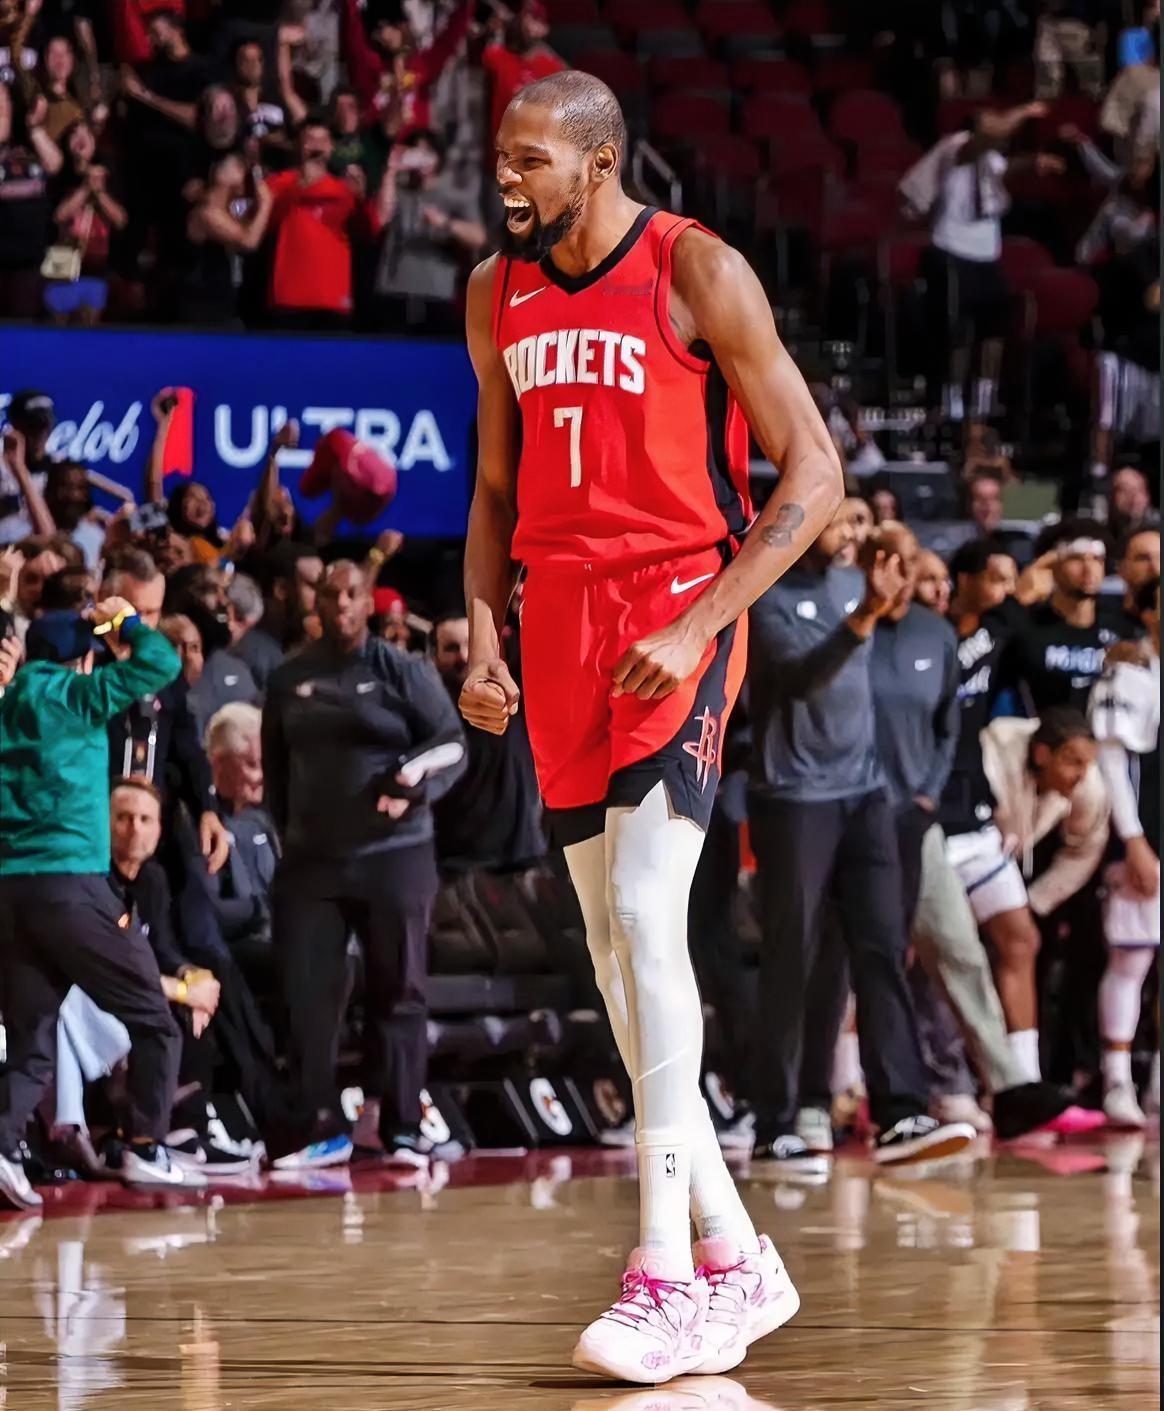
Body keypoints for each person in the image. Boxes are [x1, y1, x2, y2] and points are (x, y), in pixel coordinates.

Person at [459, 69, 844, 1384]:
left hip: (676, 607)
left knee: (643, 906)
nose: (507, 179)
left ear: (600, 161)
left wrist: (700, 623)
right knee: (613, 951)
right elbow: (494, 486)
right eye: (502, 158)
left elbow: (815, 472)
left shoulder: (696, 269)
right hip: (557, 627)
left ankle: (664, 1273)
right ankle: (737, 1252)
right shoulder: (494, 291)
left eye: (529, 160)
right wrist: (482, 632)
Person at [747, 507, 976, 1169]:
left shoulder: (855, 583)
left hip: (866, 794)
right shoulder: (766, 593)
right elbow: (799, 677)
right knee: (791, 956)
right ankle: (776, 1122)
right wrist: (866, 615)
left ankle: (900, 1112)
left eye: (853, 520)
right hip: (794, 798)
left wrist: (883, 596)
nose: (850, 531)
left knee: (882, 948)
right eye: (837, 520)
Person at [263, 560, 466, 1170]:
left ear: (368, 602)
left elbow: (452, 744)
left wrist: (412, 788)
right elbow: (275, 770)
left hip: (394, 856)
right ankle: (315, 1127)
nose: (342, 604)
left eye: (353, 594)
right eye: (331, 594)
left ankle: (400, 1127)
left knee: (398, 991)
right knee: (307, 994)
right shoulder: (289, 676)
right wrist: (290, 834)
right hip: (313, 865)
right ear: (317, 602)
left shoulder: (401, 670)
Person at [0, 598, 203, 1209]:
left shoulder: (6, 704)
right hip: (71, 883)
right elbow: (162, 662)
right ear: (83, 659)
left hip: (12, 889)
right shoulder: (78, 694)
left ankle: (3, 1148)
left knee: (32, 1038)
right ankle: (145, 1146)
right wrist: (126, 623)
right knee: (155, 1020)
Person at [947, 708, 1109, 1088]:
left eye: (1087, 763)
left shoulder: (1088, 784)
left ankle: (1024, 1080)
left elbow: (1085, 849)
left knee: (1022, 939)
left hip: (992, 854)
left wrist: (1035, 901)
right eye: (1073, 762)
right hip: (953, 841)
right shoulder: (994, 752)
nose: (1082, 773)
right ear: (1042, 754)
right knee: (941, 954)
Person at [1089, 577, 1160, 1126]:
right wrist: (1133, 840)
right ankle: (1117, 1080)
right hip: (1144, 837)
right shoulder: (1128, 673)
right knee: (1131, 959)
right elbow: (1112, 762)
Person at [431, 611, 544, 874]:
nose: (463, 656)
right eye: (451, 648)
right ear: (434, 656)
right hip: (461, 866)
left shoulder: (514, 688)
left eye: (470, 644)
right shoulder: (428, 712)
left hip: (526, 855)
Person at [264, 112, 391, 327]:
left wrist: (361, 199)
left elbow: (369, 231)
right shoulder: (279, 183)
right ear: (298, 146)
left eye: (323, 140)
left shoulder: (344, 189)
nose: (317, 146)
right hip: (289, 298)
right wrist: (301, 185)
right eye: (310, 140)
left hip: (333, 301)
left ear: (332, 147)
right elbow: (265, 221)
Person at [372, 127, 487, 334]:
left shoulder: (454, 196)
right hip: (394, 290)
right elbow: (381, 217)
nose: (421, 159)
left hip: (436, 292)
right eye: (415, 152)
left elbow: (478, 237)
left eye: (427, 153)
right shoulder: (397, 190)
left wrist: (445, 223)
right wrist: (391, 170)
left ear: (438, 157)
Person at [45, 119, 129, 326]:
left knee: (88, 330)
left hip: (97, 271)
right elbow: (59, 216)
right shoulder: (60, 178)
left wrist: (99, 192)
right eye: (74, 134)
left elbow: (120, 220)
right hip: (62, 271)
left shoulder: (111, 178)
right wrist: (85, 188)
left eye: (87, 134)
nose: (80, 138)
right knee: (58, 331)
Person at [179, 152, 273, 326]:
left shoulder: (228, 213)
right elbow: (248, 242)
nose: (245, 172)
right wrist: (266, 203)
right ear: (219, 174)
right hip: (203, 306)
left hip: (223, 302)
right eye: (239, 166)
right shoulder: (206, 213)